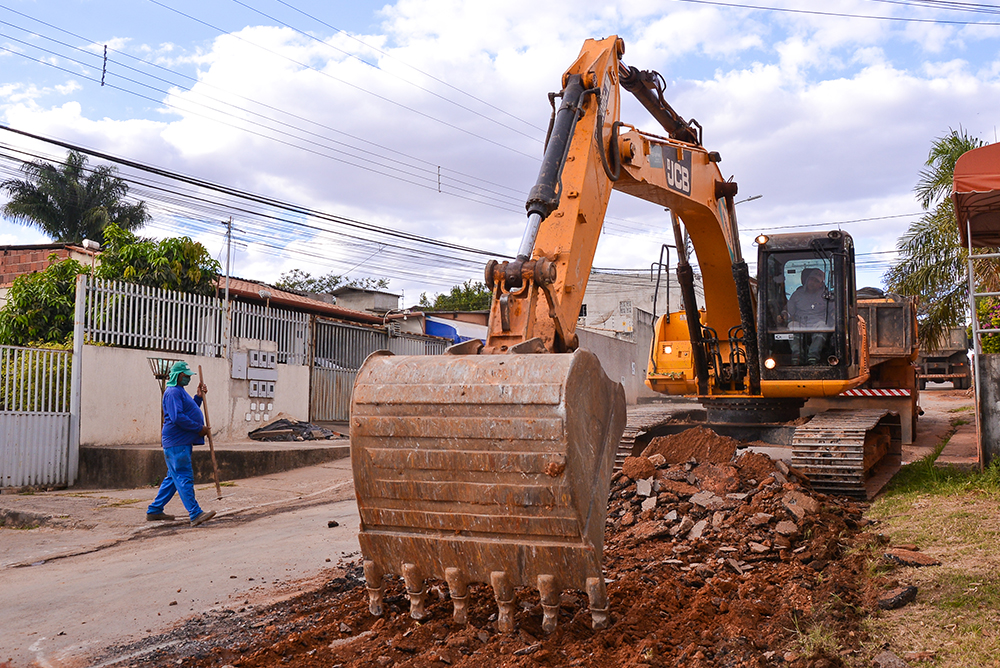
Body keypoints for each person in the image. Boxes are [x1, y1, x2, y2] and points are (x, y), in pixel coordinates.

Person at [146, 360, 216, 527]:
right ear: (178, 376)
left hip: (181, 442)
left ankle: (154, 510)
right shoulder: (172, 393)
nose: (189, 379)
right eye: (186, 376)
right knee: (183, 476)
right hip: (176, 443)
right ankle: (195, 513)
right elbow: (177, 417)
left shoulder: (180, 391)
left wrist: (198, 397)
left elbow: (189, 410)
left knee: (173, 478)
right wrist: (199, 428)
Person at [782, 267, 833, 365]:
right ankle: (797, 355)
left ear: (821, 284)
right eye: (811, 279)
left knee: (823, 326)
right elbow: (789, 311)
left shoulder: (827, 296)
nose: (812, 283)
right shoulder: (797, 295)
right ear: (807, 280)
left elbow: (833, 311)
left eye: (816, 281)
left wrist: (833, 315)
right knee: (792, 325)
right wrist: (784, 315)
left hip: (817, 324)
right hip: (801, 324)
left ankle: (813, 357)